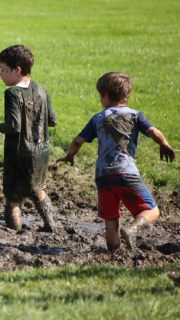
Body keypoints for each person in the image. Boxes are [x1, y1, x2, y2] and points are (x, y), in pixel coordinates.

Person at [57, 72, 175, 251]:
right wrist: (164, 144)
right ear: (126, 96)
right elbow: (153, 132)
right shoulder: (135, 116)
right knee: (153, 211)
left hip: (103, 175)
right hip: (126, 173)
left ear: (105, 95)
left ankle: (113, 250)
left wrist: (70, 156)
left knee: (110, 220)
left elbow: (77, 141)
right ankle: (132, 229)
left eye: (100, 95)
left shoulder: (98, 118)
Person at [0, 45, 58, 232]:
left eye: (3, 70)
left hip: (19, 153)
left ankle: (15, 228)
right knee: (38, 189)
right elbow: (52, 121)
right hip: (42, 152)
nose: (0, 75)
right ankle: (51, 224)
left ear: (17, 70)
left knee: (13, 194)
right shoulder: (41, 88)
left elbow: (14, 126)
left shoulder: (12, 93)